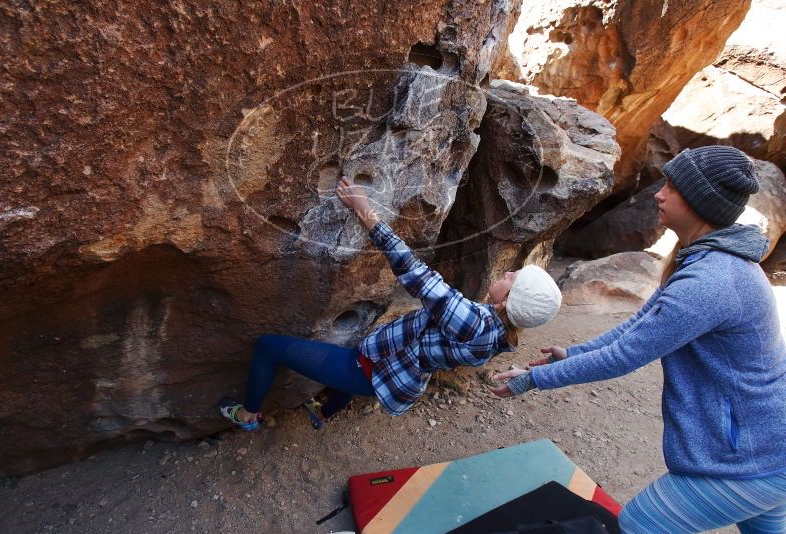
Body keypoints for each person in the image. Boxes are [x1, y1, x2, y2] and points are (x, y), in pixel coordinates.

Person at [490, 146, 786, 533]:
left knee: (635, 525)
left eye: (672, 187)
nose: (658, 194)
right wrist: (573, 354)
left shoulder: (710, 282)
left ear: (700, 203)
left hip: (746, 462)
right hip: (767, 450)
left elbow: (625, 356)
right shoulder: (711, 261)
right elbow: (639, 327)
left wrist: (533, 379)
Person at [220, 176, 562, 431]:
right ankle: (322, 413)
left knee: (268, 347)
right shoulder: (501, 334)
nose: (507, 273)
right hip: (395, 374)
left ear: (508, 302)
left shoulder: (474, 321)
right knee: (346, 375)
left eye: (513, 278)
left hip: (368, 369)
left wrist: (364, 211)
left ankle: (249, 415)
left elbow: (416, 273)